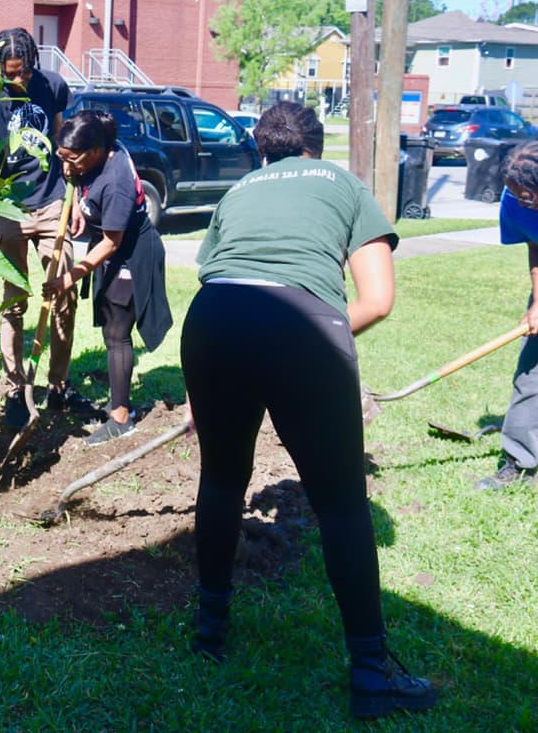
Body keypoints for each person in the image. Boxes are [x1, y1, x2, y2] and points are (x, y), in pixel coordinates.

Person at [179, 102, 435, 719]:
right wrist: (314, 348)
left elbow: (218, 277)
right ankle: (372, 674)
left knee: (220, 478)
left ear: (260, 151)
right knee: (343, 502)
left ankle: (210, 631)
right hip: (298, 324)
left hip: (212, 323)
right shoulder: (343, 183)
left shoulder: (239, 189)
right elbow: (377, 299)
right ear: (315, 148)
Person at [0, 27, 85, 425]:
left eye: (23, 72)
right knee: (13, 301)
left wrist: (75, 196)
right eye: (9, 73)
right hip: (7, 206)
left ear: (35, 62)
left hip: (52, 204)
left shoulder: (54, 86)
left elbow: (68, 143)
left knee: (64, 296)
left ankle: (58, 385)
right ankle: (16, 387)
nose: (17, 80)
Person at [42, 111, 172, 444]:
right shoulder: (93, 151)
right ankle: (119, 405)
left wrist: (68, 278)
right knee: (111, 324)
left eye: (73, 160)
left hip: (131, 252)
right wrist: (78, 207)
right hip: (111, 247)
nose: (67, 168)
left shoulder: (116, 184)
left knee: (117, 331)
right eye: (62, 158)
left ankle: (120, 417)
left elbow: (112, 242)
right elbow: (77, 181)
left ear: (98, 150)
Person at [478, 141, 538, 490]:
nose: (520, 202)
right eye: (515, 195)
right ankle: (520, 466)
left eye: (527, 196)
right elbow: (537, 245)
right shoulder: (514, 202)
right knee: (533, 376)